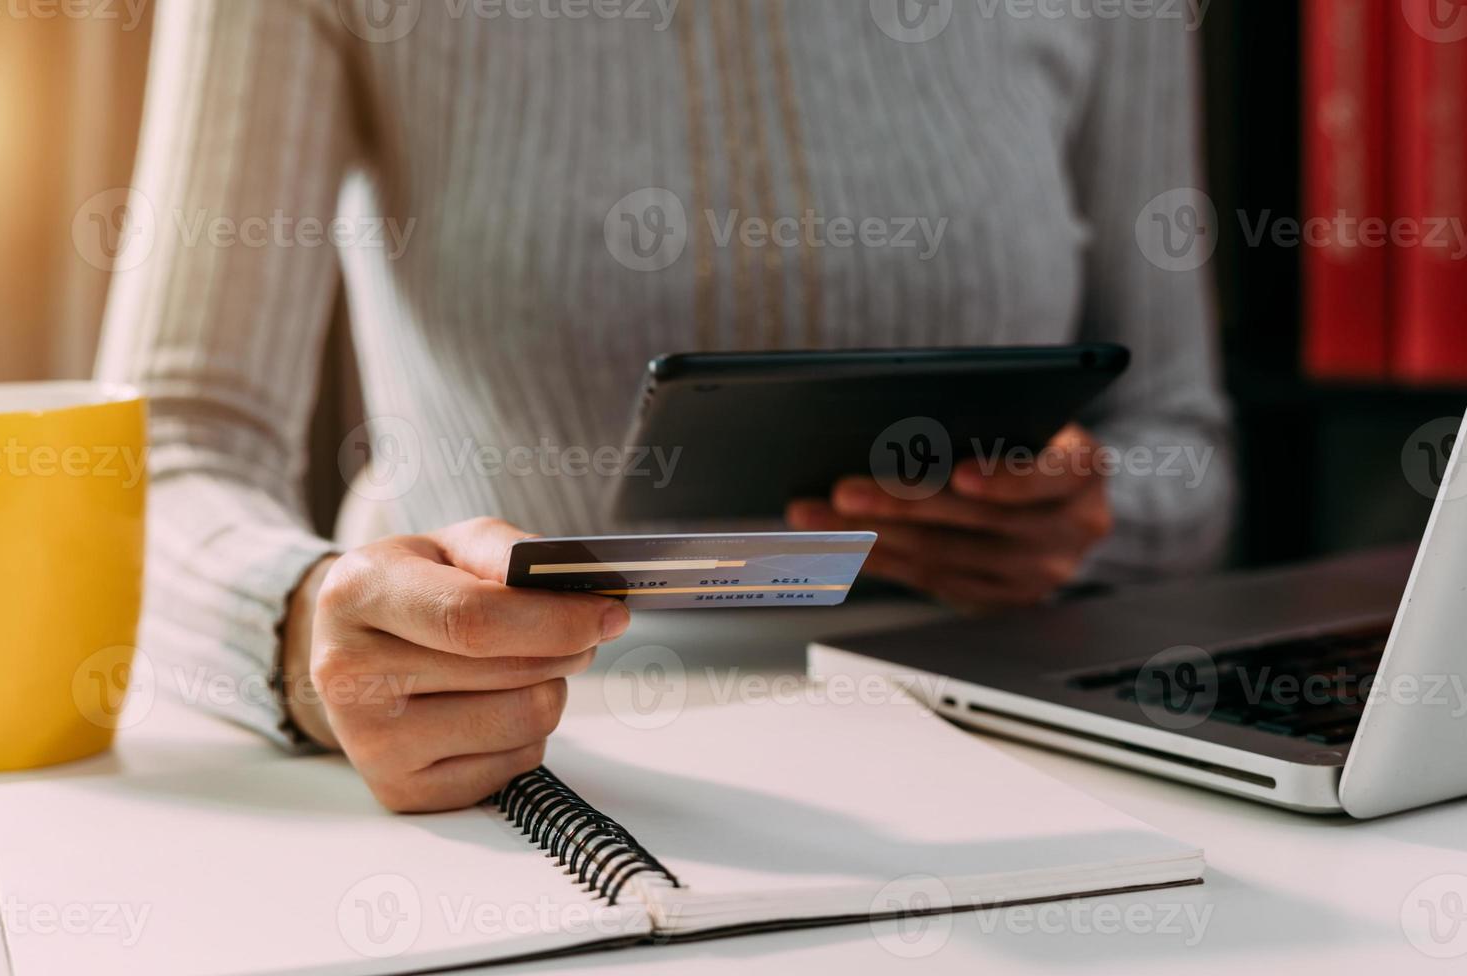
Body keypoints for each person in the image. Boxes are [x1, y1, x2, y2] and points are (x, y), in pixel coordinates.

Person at [97, 0, 1231, 813]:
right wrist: (304, 631)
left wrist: (1088, 518)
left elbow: (1189, 445)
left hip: (1013, 757)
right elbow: (167, 455)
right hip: (516, 763)